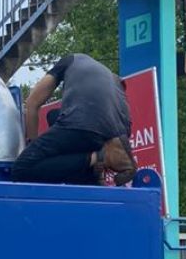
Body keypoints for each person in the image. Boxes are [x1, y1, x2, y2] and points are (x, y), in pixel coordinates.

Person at [12, 54, 136, 186]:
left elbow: (32, 103)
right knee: (53, 115)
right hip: (118, 134)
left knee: (22, 169)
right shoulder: (110, 76)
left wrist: (31, 145)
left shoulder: (69, 60)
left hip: (82, 123)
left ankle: (101, 157)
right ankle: (94, 170)